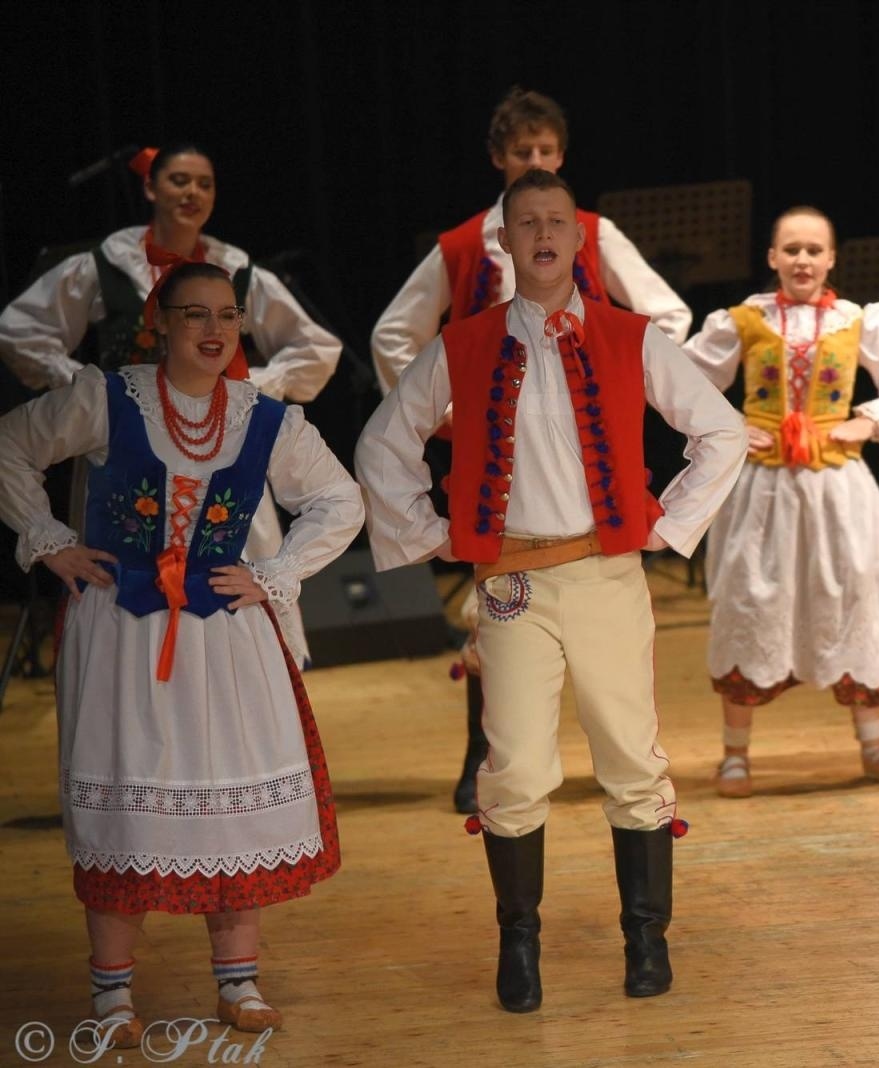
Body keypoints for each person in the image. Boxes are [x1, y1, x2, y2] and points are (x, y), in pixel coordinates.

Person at [356, 168, 744, 1012]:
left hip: (606, 573)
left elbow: (721, 430)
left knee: (631, 758)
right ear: (503, 239)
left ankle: (647, 941)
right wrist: (439, 540)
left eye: (556, 222)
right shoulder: (464, 344)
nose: (541, 234)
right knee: (518, 766)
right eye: (525, 221)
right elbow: (384, 444)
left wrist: (667, 527)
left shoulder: (629, 336)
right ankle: (518, 946)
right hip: (512, 584)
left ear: (577, 239)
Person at [0, 260, 363, 1045]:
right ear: (160, 324)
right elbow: (11, 445)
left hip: (224, 636)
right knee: (127, 803)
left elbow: (340, 500)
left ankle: (238, 980)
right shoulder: (106, 396)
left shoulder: (263, 417)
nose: (212, 330)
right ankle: (113, 994)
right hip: (124, 630)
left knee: (225, 799)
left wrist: (273, 574)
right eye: (193, 314)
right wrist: (51, 542)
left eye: (227, 316)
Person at [369, 87, 693, 814]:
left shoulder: (591, 233)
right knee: (499, 603)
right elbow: (395, 334)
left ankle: (615, 774)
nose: (535, 161)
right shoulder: (462, 245)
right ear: (498, 158)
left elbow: (666, 311)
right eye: (523, 153)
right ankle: (483, 755)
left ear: (563, 157)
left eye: (547, 152)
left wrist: (620, 385)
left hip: (582, 452)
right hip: (494, 459)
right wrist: (448, 414)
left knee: (598, 626)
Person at [0, 143, 342, 667]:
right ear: (150, 188)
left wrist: (256, 386)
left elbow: (317, 349)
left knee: (235, 582)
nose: (193, 193)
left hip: (225, 448)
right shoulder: (105, 264)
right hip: (130, 456)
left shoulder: (236, 268)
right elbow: (20, 330)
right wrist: (80, 383)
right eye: (180, 180)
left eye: (204, 184)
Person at [680, 205, 879, 797]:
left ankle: (873, 744)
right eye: (791, 249)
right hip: (763, 487)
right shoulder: (743, 320)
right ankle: (735, 753)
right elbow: (681, 379)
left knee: (853, 595)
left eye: (813, 250)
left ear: (831, 259)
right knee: (751, 600)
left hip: (835, 483)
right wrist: (725, 427)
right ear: (773, 258)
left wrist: (869, 421)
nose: (803, 260)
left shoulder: (855, 321)